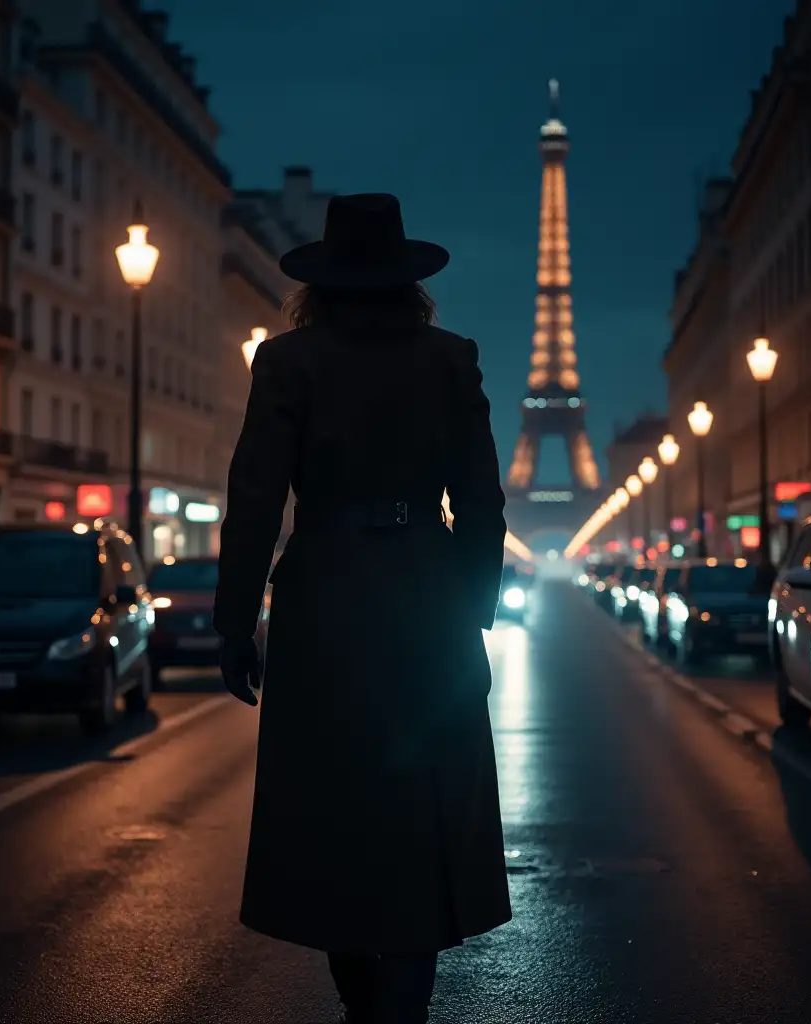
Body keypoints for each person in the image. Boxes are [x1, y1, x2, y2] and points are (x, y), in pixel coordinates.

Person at [214, 193, 510, 1024]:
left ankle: (361, 1001)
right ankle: (406, 1007)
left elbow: (255, 496)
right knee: (425, 806)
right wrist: (474, 608)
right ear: (408, 278)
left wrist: (235, 622)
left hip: (325, 601)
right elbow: (483, 502)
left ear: (325, 280)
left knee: (330, 806)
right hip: (427, 598)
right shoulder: (451, 358)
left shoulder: (287, 361)